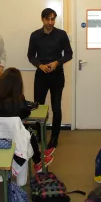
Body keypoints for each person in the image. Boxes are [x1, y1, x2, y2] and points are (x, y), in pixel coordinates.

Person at [0, 67, 55, 172]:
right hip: (12, 138)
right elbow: (26, 113)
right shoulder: (18, 100)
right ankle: (38, 161)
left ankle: (39, 158)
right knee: (28, 130)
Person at [27, 8, 73, 149]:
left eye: (53, 19)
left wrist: (57, 63)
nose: (51, 22)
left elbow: (69, 54)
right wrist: (40, 65)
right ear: (42, 19)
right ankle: (40, 134)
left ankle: (54, 137)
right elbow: (30, 56)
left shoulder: (61, 34)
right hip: (41, 76)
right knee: (38, 107)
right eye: (48, 19)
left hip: (57, 75)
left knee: (56, 107)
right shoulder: (35, 35)